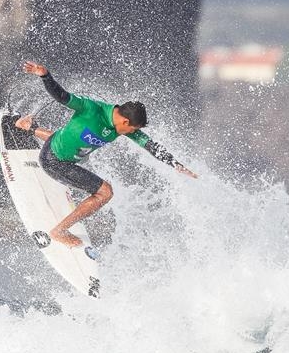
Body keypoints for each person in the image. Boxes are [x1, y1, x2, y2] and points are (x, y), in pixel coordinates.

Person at [15, 61, 198, 248]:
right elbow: (62, 96)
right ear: (125, 121)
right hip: (54, 161)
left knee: (78, 139)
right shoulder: (91, 109)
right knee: (105, 192)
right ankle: (59, 231)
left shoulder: (124, 127)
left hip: (65, 151)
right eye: (132, 129)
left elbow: (150, 145)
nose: (131, 133)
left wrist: (177, 165)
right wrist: (45, 75)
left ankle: (29, 128)